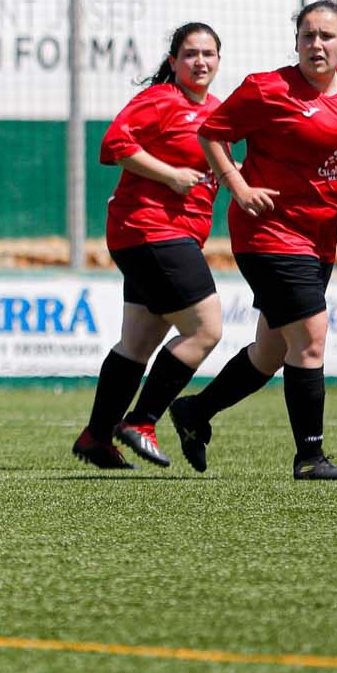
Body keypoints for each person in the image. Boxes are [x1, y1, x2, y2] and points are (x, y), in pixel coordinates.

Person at [169, 0, 337, 480]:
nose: (316, 44)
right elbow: (212, 132)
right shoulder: (267, 90)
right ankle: (309, 456)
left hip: (319, 237)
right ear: (295, 42)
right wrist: (238, 184)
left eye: (327, 36)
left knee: (271, 351)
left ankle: (194, 413)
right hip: (267, 232)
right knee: (310, 338)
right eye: (307, 35)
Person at [74, 23, 226, 472]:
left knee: (138, 341)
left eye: (209, 54)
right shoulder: (161, 100)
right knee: (206, 329)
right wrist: (170, 175)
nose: (200, 62)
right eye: (190, 54)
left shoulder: (218, 112)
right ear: (174, 61)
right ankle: (142, 421)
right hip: (150, 231)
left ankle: (97, 436)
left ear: (219, 60)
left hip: (165, 235)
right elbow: (114, 143)